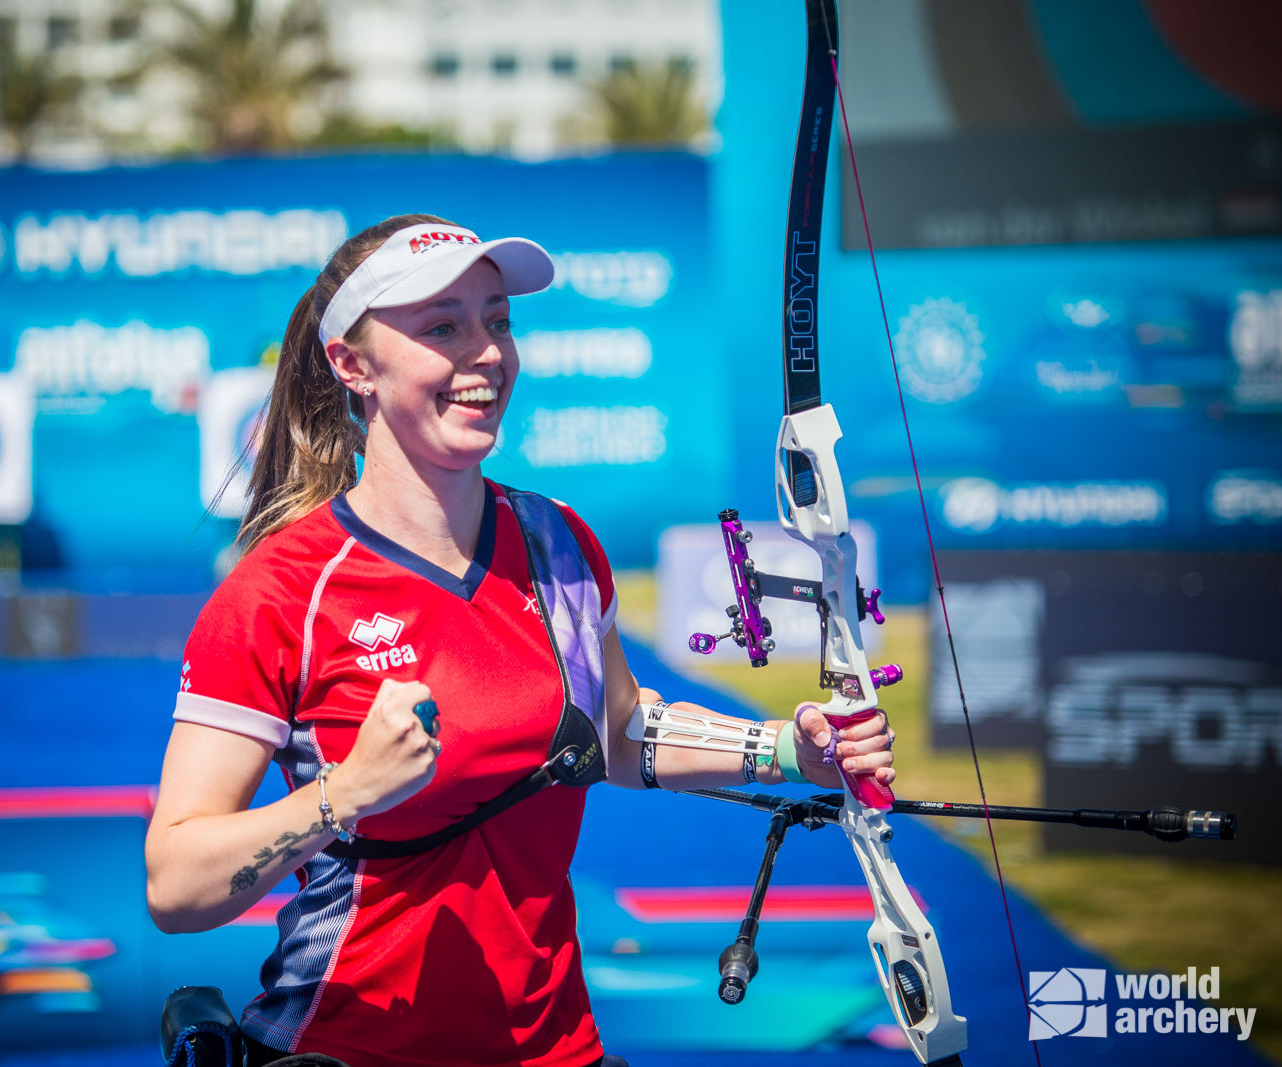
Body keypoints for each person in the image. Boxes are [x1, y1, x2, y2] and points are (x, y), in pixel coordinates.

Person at [145, 215, 896, 1067]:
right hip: (345, 1047)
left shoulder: (557, 541)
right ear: (353, 365)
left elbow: (614, 733)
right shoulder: (283, 590)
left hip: (557, 1048)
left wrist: (792, 750)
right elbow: (175, 884)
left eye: (497, 320)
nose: (487, 353)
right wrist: (342, 794)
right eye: (443, 326)